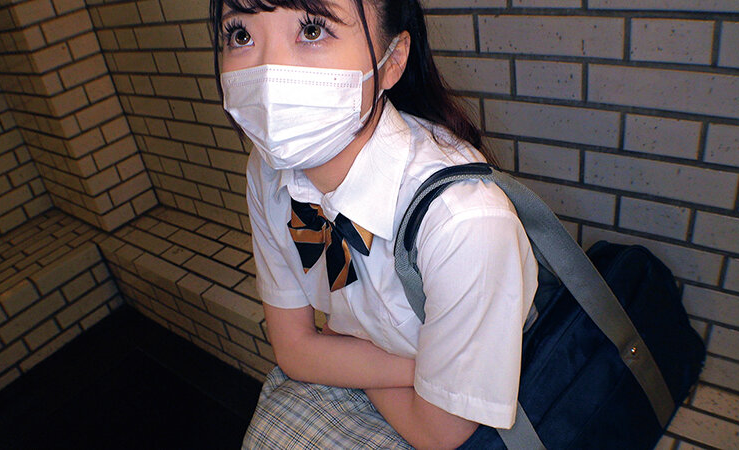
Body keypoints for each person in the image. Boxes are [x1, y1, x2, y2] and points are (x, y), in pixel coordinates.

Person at [210, 0, 539, 448]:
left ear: (392, 61)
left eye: (312, 30)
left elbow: (441, 432)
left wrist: (339, 352)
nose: (270, 73)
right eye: (241, 34)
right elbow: (293, 350)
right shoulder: (268, 175)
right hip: (404, 394)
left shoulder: (463, 221)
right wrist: (418, 371)